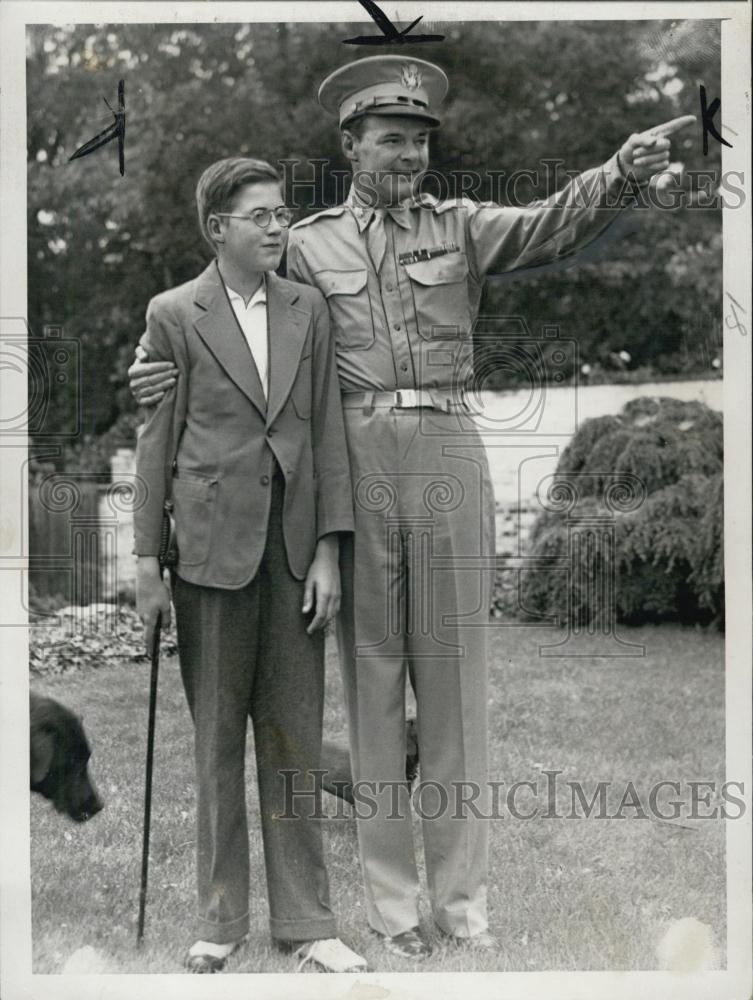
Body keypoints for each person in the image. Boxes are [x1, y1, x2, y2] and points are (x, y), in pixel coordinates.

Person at [129, 56, 688, 959]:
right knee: (374, 686)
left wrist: (617, 172)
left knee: (457, 688)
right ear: (349, 145)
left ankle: (463, 904)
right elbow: (218, 311)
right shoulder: (303, 243)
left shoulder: (461, 228)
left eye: (421, 141)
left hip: (447, 449)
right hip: (352, 464)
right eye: (391, 139)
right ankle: (394, 910)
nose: (409, 155)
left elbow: (550, 225)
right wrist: (156, 368)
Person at [133, 156, 366, 974]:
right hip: (205, 553)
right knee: (216, 744)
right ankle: (219, 921)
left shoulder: (309, 309)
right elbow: (154, 441)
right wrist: (144, 563)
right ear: (216, 229)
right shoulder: (173, 314)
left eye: (281, 214)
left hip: (295, 550)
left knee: (294, 739)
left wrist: (331, 551)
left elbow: (328, 433)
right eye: (259, 215)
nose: (277, 227)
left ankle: (308, 923)